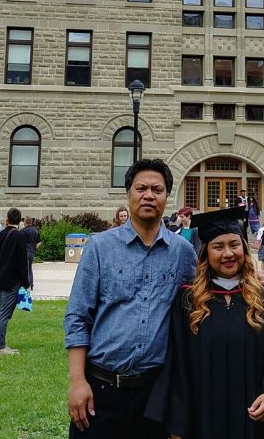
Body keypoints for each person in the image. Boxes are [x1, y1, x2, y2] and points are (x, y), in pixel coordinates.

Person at [64, 158, 198, 438]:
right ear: (128, 194)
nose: (149, 195)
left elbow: (208, 295)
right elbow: (78, 317)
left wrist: (257, 274)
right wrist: (77, 381)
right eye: (141, 188)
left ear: (166, 196)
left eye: (157, 189)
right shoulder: (100, 248)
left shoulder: (183, 253)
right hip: (101, 390)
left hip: (156, 394)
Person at [145, 207, 264, 439]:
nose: (228, 254)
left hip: (252, 417)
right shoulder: (188, 300)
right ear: (205, 253)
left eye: (234, 245)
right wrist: (178, 423)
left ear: (244, 248)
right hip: (201, 419)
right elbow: (177, 364)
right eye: (218, 247)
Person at [0, 207, 33, 355]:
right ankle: (0, 347)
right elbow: (23, 261)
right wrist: (26, 282)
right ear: (20, 221)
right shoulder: (20, 236)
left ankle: (0, 345)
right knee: (4, 313)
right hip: (13, 280)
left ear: (7, 220)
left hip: (1, 278)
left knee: (2, 311)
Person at [22, 215, 41, 291]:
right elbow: (39, 242)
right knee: (29, 268)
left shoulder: (23, 231)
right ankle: (31, 284)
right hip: (32, 252)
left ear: (25, 222)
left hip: (25, 252)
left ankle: (27, 285)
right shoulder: (35, 230)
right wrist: (35, 247)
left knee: (25, 269)